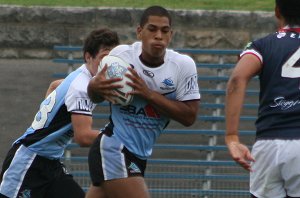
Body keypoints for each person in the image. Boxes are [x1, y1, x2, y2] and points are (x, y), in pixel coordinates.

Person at [86, 5, 201, 198]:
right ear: (140, 32)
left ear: (170, 35)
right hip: (114, 148)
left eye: (164, 31)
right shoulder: (121, 56)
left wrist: (147, 94)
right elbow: (95, 95)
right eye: (152, 29)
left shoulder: (183, 66)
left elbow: (189, 116)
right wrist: (94, 87)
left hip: (138, 155)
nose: (158, 36)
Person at [0, 28, 120, 198]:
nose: (107, 66)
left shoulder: (82, 76)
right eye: (103, 58)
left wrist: (48, 116)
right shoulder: (82, 88)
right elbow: (83, 137)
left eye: (112, 60)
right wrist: (121, 137)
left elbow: (55, 85)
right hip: (28, 163)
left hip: (50, 164)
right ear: (88, 57)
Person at [225, 0, 300, 197]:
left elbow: (236, 80)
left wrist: (232, 136)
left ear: (277, 12)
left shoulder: (263, 44)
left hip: (268, 144)